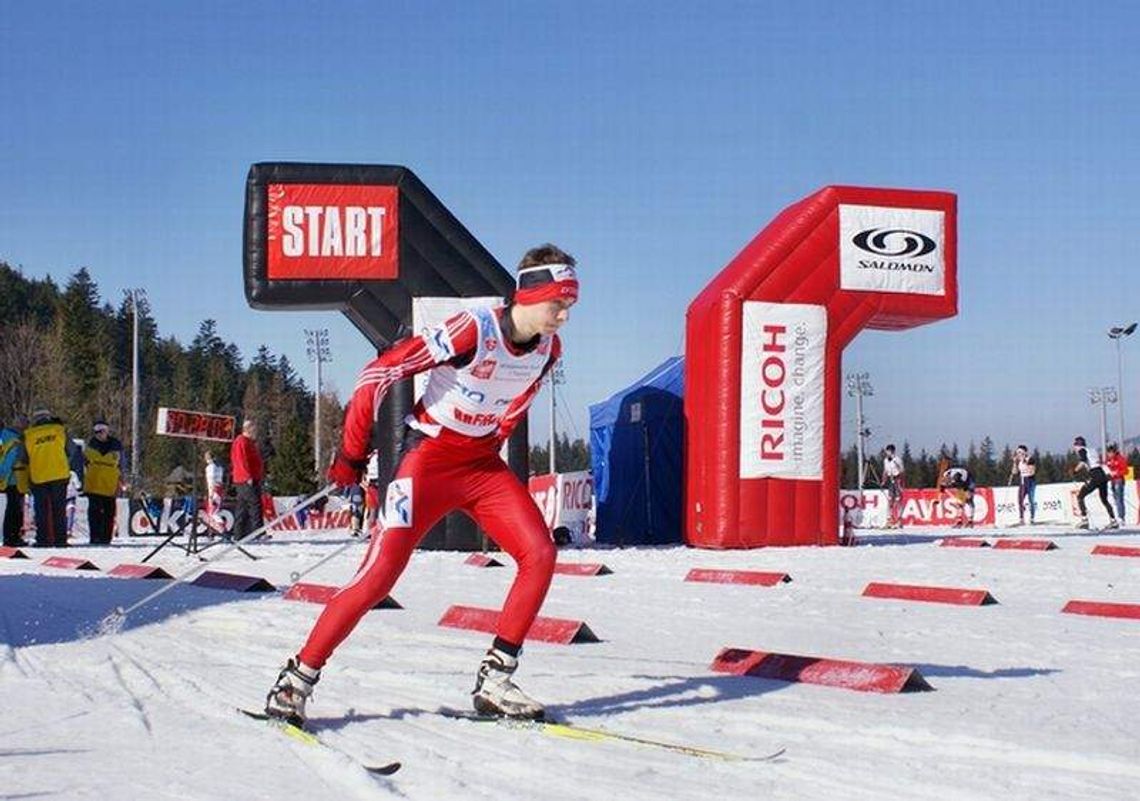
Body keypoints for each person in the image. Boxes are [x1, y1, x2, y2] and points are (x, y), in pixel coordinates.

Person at [265, 243, 578, 727]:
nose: (564, 315)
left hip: (481, 464)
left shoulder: (549, 349)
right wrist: (350, 454)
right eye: (558, 302)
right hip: (428, 461)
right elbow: (377, 375)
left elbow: (520, 399)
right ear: (530, 294)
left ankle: (496, 680)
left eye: (570, 305)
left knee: (540, 554)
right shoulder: (475, 328)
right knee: (379, 576)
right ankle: (296, 680)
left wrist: (495, 438)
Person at [24, 409, 71, 547]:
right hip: (59, 474)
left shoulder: (29, 435)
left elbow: (24, 457)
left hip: (38, 476)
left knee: (41, 510)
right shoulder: (59, 430)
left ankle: (43, 539)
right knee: (59, 509)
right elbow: (71, 450)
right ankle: (60, 540)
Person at [83, 419, 124, 544]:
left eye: (101, 431)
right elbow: (84, 463)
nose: (99, 434)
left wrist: (122, 480)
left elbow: (122, 465)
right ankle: (94, 536)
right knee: (94, 512)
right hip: (94, 484)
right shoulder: (90, 446)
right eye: (96, 432)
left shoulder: (116, 447)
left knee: (109, 513)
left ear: (106, 431)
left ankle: (106, 538)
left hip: (110, 484)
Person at [229, 419, 265, 543]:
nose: (256, 432)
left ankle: (239, 534)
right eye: (254, 430)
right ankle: (258, 532)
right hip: (245, 480)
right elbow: (241, 460)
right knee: (255, 504)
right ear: (248, 430)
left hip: (248, 478)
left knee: (242, 508)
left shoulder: (249, 442)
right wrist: (247, 476)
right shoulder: (241, 441)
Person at [1073, 436, 1119, 530]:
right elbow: (1099, 463)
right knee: (1104, 500)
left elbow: (1083, 461)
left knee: (1080, 496)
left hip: (1095, 476)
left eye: (1075, 446)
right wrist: (1108, 474)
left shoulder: (1082, 450)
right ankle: (1113, 520)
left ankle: (1084, 520)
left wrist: (1075, 470)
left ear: (1078, 445)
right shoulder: (1092, 450)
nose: (1074, 448)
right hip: (1102, 475)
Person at [0, 414, 30, 546]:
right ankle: (12, 538)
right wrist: (2, 473)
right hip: (14, 478)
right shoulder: (15, 439)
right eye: (26, 423)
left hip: (10, 478)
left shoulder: (4, 436)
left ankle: (12, 537)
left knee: (14, 508)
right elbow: (10, 459)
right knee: (15, 509)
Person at [1008, 444, 1037, 525]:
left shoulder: (1030, 459)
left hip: (1030, 480)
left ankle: (1032, 517)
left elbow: (1032, 471)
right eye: (1018, 452)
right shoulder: (1019, 461)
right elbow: (1014, 472)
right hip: (1022, 480)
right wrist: (1014, 463)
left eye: (1020, 452)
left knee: (1031, 500)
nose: (1019, 454)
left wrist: (1025, 462)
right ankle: (1021, 517)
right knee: (1020, 499)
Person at [881, 444, 905, 528]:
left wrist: (901, 483)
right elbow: (885, 471)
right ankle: (889, 519)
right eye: (887, 451)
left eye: (889, 451)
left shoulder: (897, 459)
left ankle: (899, 520)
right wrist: (883, 480)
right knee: (890, 500)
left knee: (898, 500)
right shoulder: (885, 460)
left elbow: (902, 471)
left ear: (893, 451)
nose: (887, 453)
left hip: (897, 479)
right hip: (890, 480)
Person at [1104, 443, 1128, 525]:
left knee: (1119, 499)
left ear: (1114, 452)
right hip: (1112, 481)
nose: (1109, 454)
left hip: (1119, 480)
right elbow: (1106, 468)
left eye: (1111, 452)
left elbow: (1126, 470)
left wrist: (1117, 473)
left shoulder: (1120, 458)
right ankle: (1120, 515)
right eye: (1108, 453)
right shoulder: (1108, 460)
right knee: (1115, 499)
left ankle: (1121, 517)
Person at [203, 450, 225, 534]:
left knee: (213, 512)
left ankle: (223, 529)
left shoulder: (210, 467)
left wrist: (211, 494)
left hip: (214, 490)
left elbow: (211, 480)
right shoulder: (219, 467)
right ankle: (213, 531)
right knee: (213, 511)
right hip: (218, 489)